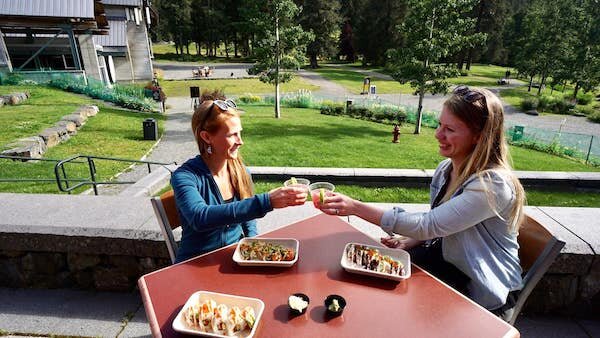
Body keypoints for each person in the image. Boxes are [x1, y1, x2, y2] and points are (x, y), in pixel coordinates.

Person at [319, 86, 526, 319]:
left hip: (484, 292)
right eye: (439, 125)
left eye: (449, 129)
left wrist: (355, 207)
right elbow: (442, 224)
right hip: (448, 268)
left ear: (479, 135)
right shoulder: (446, 170)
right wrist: (410, 241)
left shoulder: (492, 186)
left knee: (393, 311)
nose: (438, 134)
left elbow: (429, 225)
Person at [171, 99, 307, 263]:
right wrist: (267, 201)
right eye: (232, 135)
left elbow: (248, 218)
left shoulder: (240, 171)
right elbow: (200, 218)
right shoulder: (185, 176)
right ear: (207, 137)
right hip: (194, 264)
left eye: (240, 133)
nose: (240, 141)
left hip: (233, 259)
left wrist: (254, 246)